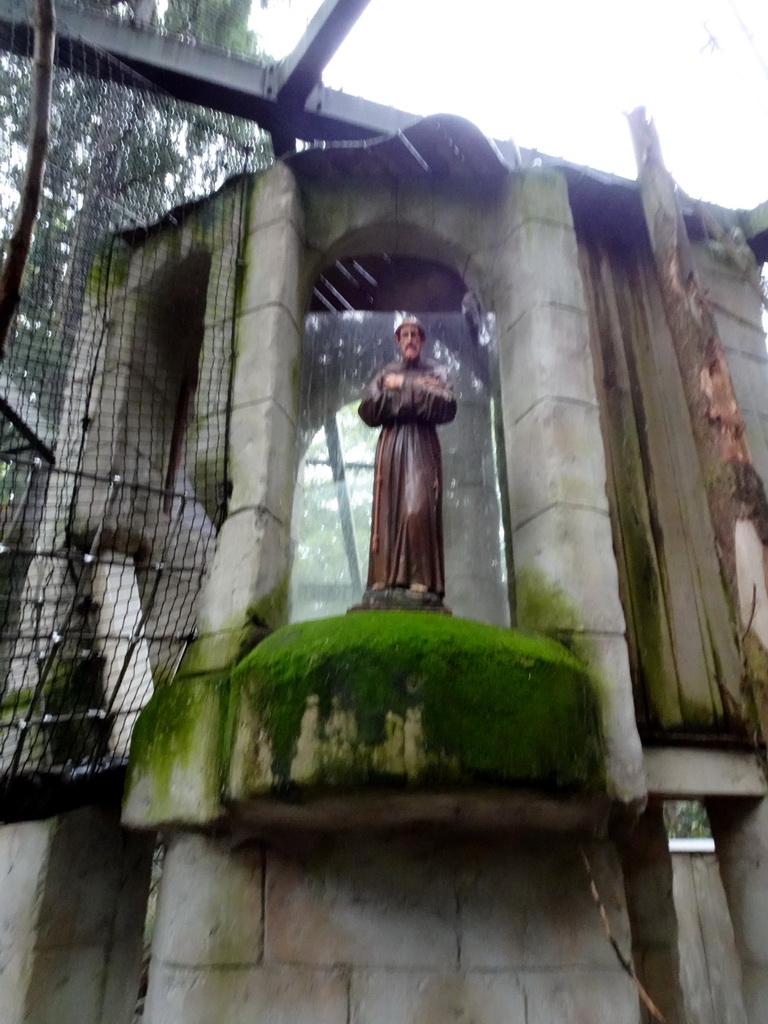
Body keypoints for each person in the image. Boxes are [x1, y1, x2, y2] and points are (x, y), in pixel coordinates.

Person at [358, 315, 457, 603]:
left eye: (415, 334)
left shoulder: (437, 370)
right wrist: (418, 393)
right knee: (388, 511)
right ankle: (384, 580)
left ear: (422, 340)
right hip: (392, 447)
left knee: (418, 509)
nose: (411, 339)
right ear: (398, 341)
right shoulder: (384, 371)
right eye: (405, 335)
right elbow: (368, 409)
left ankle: (420, 579)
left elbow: (446, 404)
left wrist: (401, 387)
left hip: (422, 446)